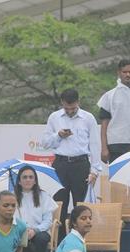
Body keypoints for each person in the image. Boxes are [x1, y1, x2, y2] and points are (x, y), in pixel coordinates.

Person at [42, 88, 102, 233]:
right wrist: (58, 135)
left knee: (81, 205)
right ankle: (61, 240)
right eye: (66, 108)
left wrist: (95, 170)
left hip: (81, 164)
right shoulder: (54, 117)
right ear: (62, 103)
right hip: (60, 164)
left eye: (73, 108)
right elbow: (45, 143)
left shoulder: (88, 118)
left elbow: (95, 145)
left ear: (78, 102)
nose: (69, 111)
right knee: (59, 205)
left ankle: (81, 240)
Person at [14, 165, 58, 252]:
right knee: (22, 240)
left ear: (35, 180)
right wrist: (24, 229)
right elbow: (11, 219)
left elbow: (48, 221)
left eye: (30, 177)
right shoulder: (12, 197)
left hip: (40, 231)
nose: (28, 179)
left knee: (41, 239)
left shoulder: (43, 196)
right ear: (19, 181)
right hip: (20, 231)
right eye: (24, 177)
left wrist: (35, 230)